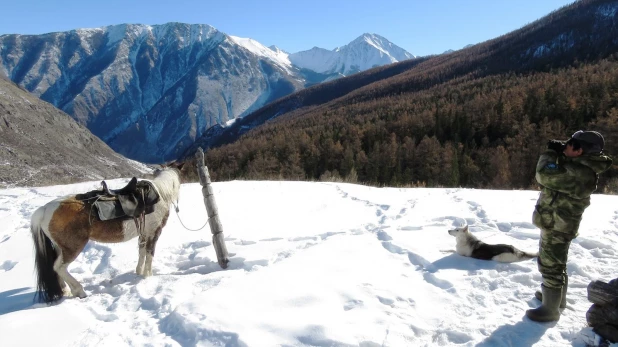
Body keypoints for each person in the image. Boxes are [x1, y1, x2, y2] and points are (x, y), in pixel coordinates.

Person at [526, 130, 612, 322]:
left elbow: (543, 174)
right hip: (556, 222)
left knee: (550, 266)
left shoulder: (579, 173)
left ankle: (550, 310)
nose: (566, 146)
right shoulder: (579, 166)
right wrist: (560, 154)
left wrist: (550, 153)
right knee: (556, 263)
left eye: (570, 144)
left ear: (579, 150)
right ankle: (556, 300)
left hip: (558, 225)